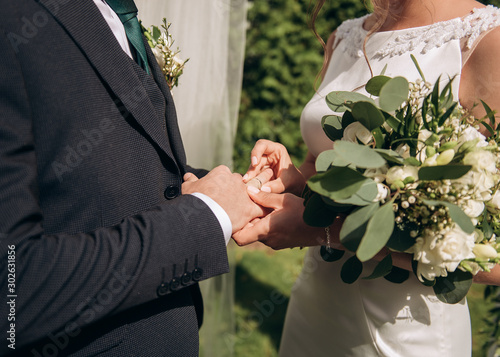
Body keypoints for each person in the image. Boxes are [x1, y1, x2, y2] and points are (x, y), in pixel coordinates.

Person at [234, 0, 500, 355]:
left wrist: (320, 230)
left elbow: (493, 258)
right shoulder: (344, 36)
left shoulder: (486, 42)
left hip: (404, 329)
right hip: (317, 301)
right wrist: (292, 179)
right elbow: (323, 162)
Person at [0, 0, 263, 355]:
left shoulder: (115, 13)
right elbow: (14, 289)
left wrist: (246, 190)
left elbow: (112, 172)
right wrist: (207, 216)